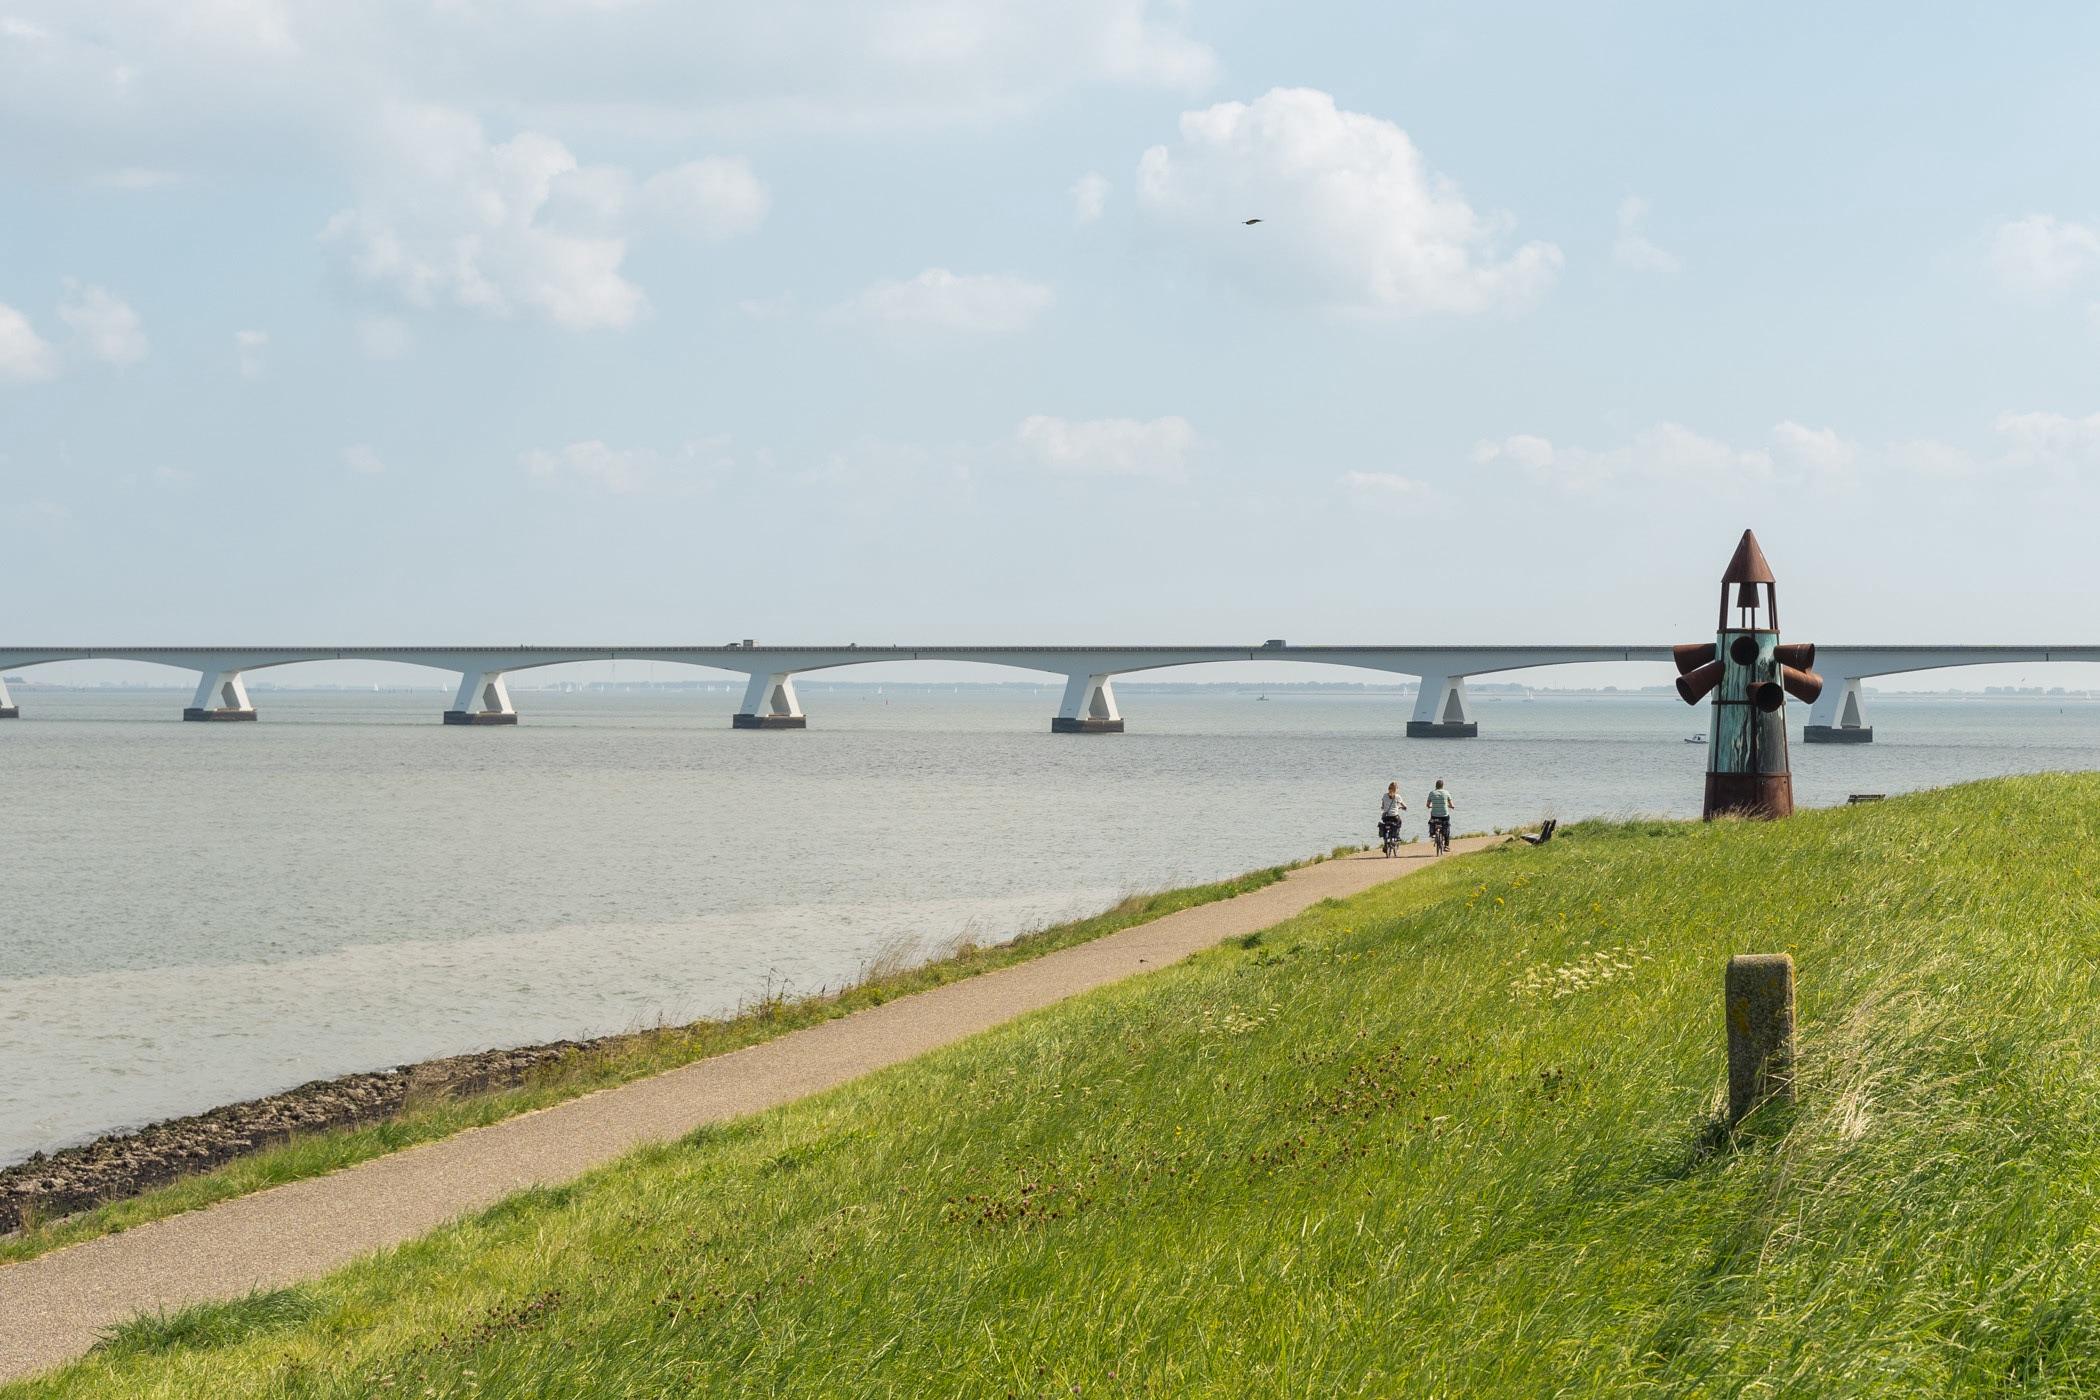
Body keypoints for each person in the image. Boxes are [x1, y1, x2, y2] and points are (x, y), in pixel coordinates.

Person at [1425, 779, 1456, 851]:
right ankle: (1446, 846)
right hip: (1444, 815)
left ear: (1436, 785)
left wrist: (1429, 806)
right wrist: (1451, 806)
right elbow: (1451, 804)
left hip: (1434, 815)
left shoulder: (1431, 793)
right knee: (1447, 828)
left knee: (1432, 821)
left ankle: (1432, 833)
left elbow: (1427, 804)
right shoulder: (1446, 793)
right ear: (1443, 786)